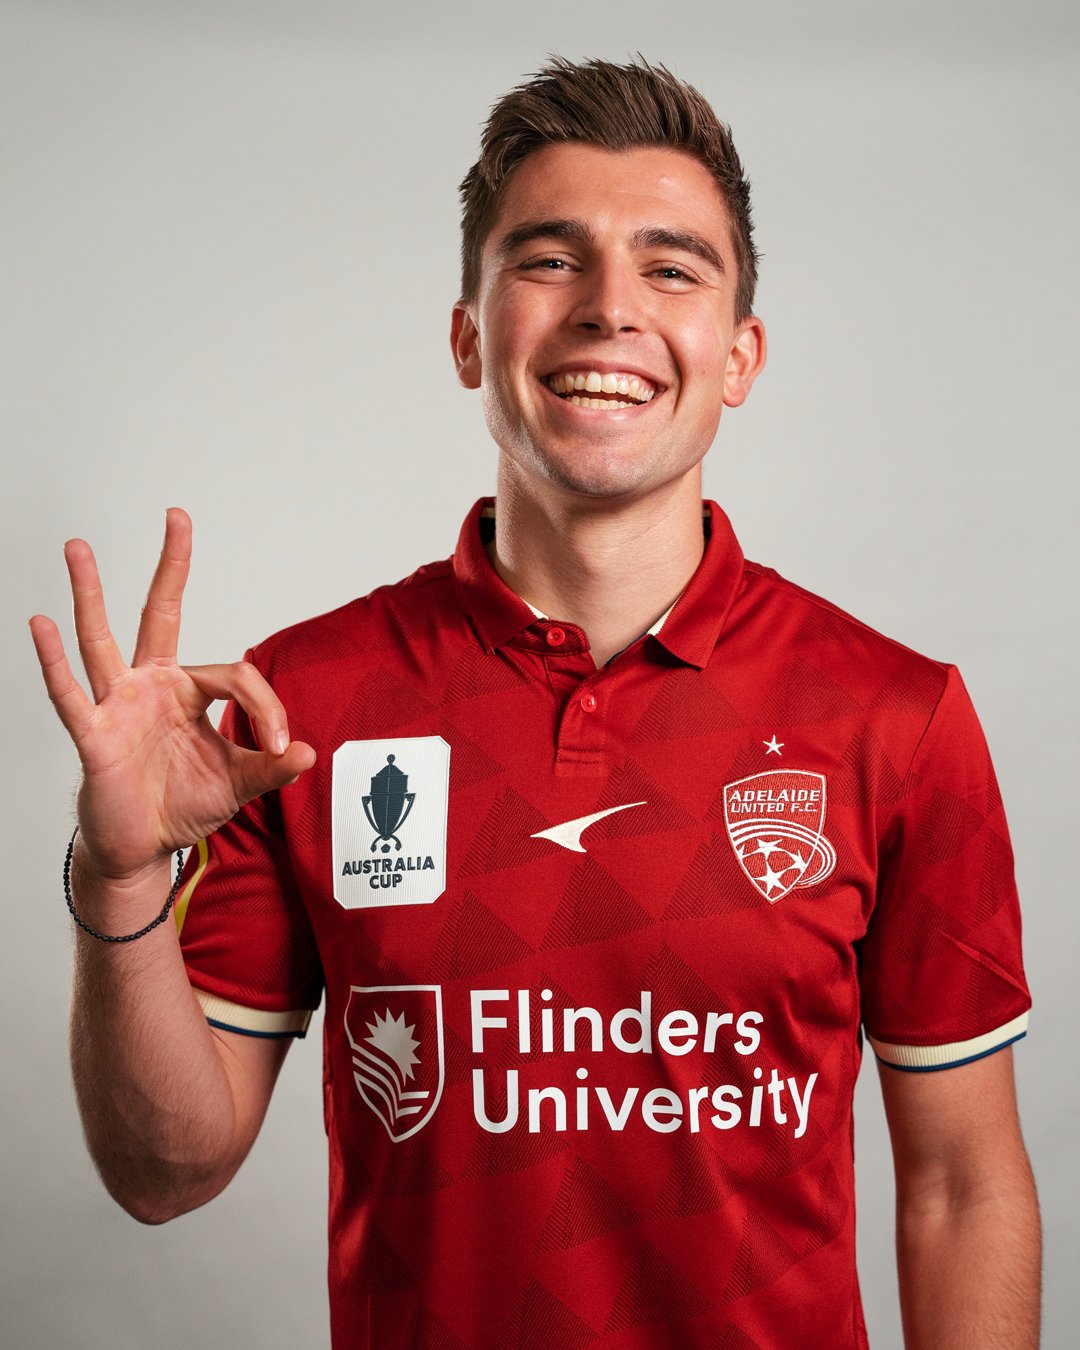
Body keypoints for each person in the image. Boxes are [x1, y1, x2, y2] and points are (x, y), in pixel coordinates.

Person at [31, 57, 1039, 1350]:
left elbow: (961, 1189)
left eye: (671, 269)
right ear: (468, 336)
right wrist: (120, 875)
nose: (610, 308)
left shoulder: (895, 716)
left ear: (739, 356)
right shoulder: (301, 710)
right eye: (551, 260)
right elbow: (164, 1170)